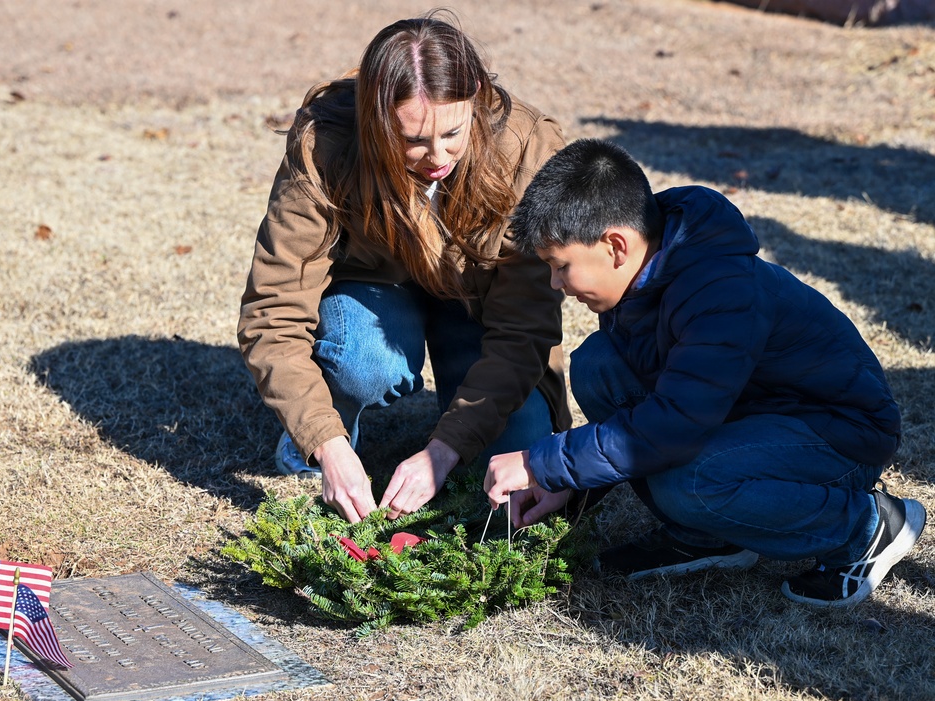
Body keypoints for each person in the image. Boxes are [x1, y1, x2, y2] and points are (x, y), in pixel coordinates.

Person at [484, 138, 927, 607]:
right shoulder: (642, 273)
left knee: (689, 484)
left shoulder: (720, 292)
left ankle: (866, 528)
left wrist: (541, 463)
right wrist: (570, 481)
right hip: (748, 410)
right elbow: (655, 411)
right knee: (599, 366)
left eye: (561, 266)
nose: (556, 283)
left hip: (836, 432)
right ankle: (709, 536)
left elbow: (671, 425)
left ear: (616, 245)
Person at [238, 12, 572, 524]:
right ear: (374, 122)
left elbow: (525, 329)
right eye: (412, 140)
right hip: (375, 291)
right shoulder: (327, 144)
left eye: (453, 132)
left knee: (519, 462)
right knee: (363, 363)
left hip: (479, 305)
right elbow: (274, 310)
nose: (436, 156)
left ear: (477, 95)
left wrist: (444, 451)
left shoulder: (528, 151)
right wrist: (325, 444)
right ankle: (330, 425)